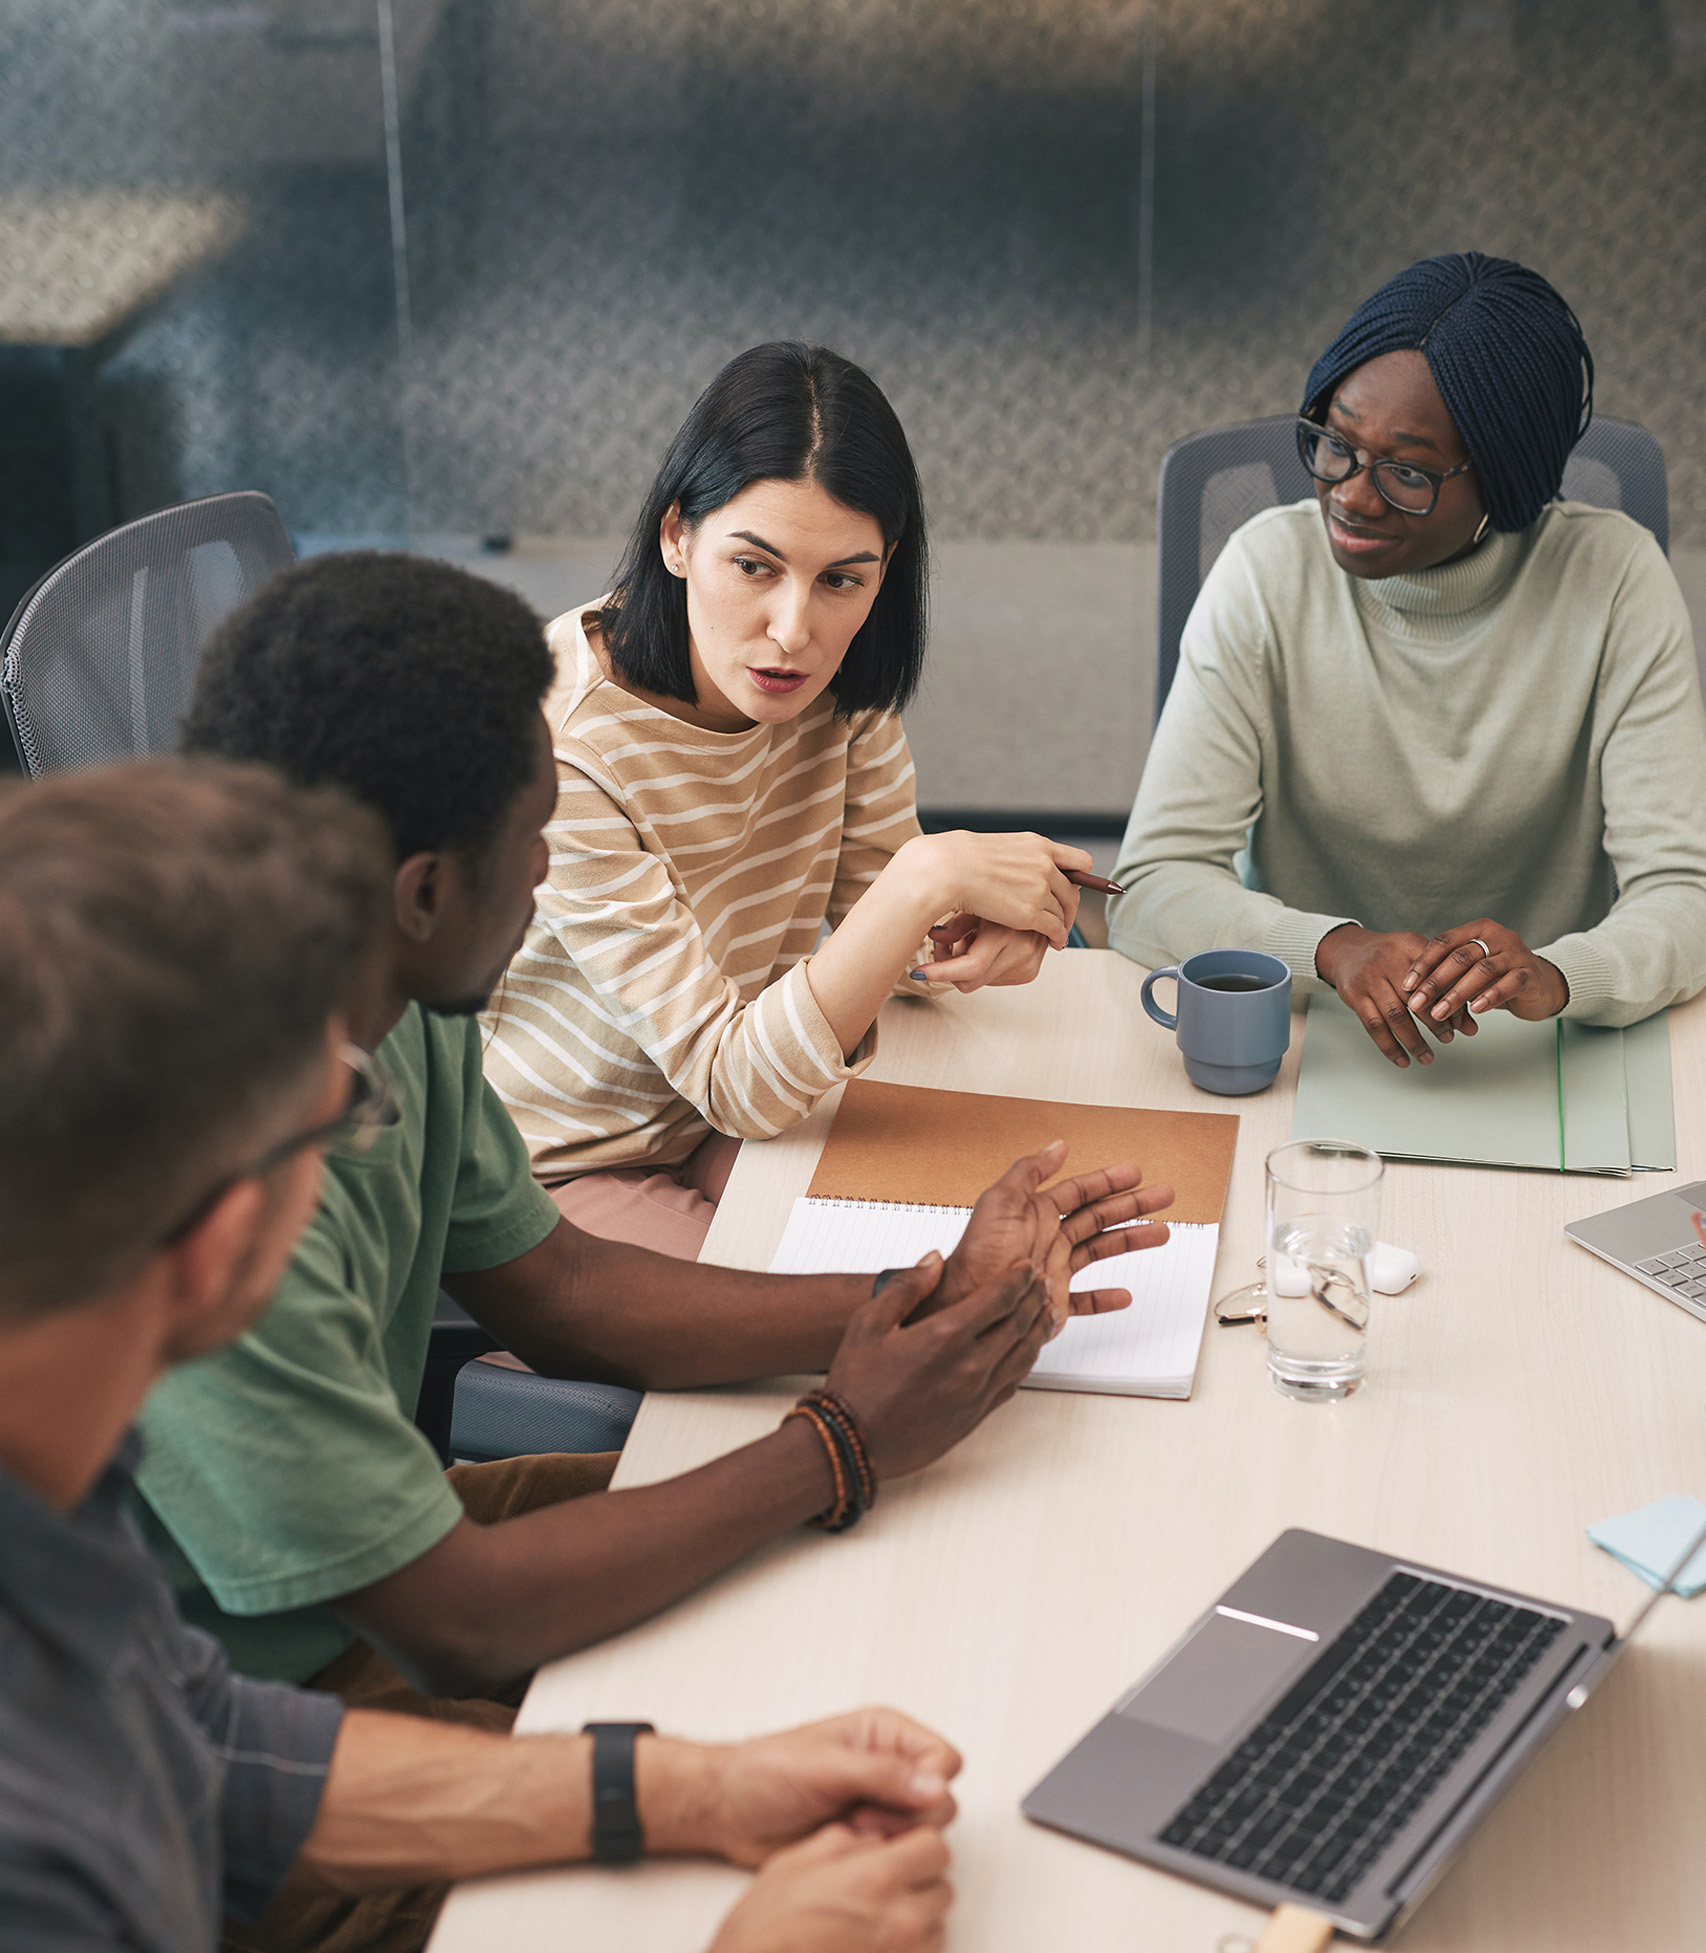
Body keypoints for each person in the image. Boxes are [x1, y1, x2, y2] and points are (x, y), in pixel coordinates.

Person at [141, 552, 1173, 1943]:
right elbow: (455, 1623)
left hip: (365, 1591)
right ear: (427, 887)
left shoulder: (399, 988)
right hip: (290, 1697)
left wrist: (918, 1304)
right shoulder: (202, 1187)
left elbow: (555, 1291)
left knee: (888, 1579)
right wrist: (837, 1445)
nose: (553, 865)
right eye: (539, 834)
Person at [0, 758, 959, 1953]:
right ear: (222, 1239)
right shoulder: (39, 1865)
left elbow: (214, 1750)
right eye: (340, 1107)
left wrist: (693, 1791)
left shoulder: (57, 1508)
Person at [479, 341, 1099, 1256]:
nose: (793, 632)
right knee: (879, 1316)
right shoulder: (565, 742)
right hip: (561, 1162)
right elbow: (738, 1076)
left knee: (1002, 1231)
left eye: (841, 579)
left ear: (884, 573)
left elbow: (885, 944)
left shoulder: (839, 697)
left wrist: (967, 930)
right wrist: (927, 878)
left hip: (728, 1115)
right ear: (676, 536)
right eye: (755, 566)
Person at [1107, 252, 1706, 1066]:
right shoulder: (1266, 571)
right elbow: (1152, 887)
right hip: (1304, 1042)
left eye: (1408, 471)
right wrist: (1331, 947)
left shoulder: (1616, 583)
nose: (1352, 494)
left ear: (1506, 474)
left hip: (1538, 1055)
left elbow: (1684, 897)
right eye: (1336, 445)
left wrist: (1558, 975)